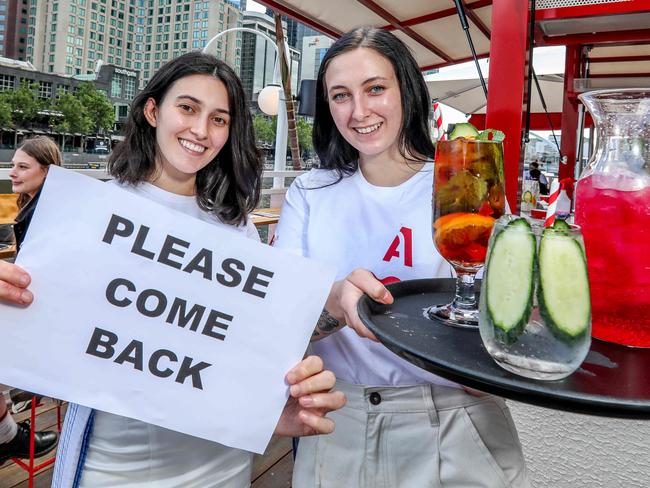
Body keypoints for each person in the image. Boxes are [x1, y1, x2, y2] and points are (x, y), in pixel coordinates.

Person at [0, 52, 345, 487]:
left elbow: (247, 343)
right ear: (151, 110)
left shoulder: (235, 228)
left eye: (219, 119)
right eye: (187, 108)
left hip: (223, 463)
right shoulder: (87, 213)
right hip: (112, 462)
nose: (201, 130)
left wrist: (271, 405)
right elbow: (43, 334)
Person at [273, 27, 530, 487]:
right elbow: (278, 324)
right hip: (339, 420)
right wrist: (333, 302)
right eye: (340, 95)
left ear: (407, 91)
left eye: (375, 88)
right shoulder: (308, 193)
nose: (359, 111)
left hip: (455, 417)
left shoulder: (465, 181)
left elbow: (512, 312)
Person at [1, 137, 62, 465]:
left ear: (47, 171)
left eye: (22, 166)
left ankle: (8, 433)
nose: (12, 172)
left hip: (45, 318)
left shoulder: (46, 214)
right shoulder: (36, 207)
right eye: (12, 165)